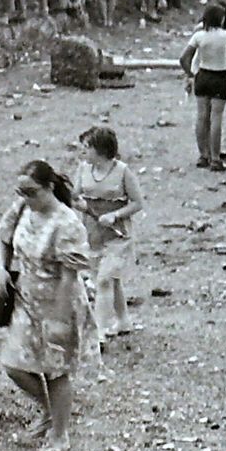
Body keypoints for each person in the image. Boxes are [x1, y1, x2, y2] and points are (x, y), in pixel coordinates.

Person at [0, 159, 99, 451]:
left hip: (58, 299)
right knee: (14, 364)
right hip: (26, 298)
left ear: (49, 187)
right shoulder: (22, 208)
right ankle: (49, 411)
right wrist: (0, 268)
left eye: (31, 192)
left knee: (56, 369)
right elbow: (2, 237)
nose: (25, 197)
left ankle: (60, 434)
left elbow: (69, 276)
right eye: (21, 191)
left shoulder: (67, 224)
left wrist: (59, 318)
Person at [74, 127, 144, 341]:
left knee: (104, 280)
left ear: (101, 150)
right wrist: (82, 207)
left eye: (87, 147)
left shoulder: (122, 171)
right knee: (110, 279)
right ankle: (123, 320)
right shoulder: (83, 170)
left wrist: (115, 215)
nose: (82, 151)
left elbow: (137, 203)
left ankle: (99, 331)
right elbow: (74, 196)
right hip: (93, 233)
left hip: (117, 235)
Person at [179, 2, 226, 170]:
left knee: (201, 116)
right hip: (219, 76)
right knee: (216, 118)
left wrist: (190, 74)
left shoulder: (198, 36)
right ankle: (215, 157)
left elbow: (184, 58)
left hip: (203, 75)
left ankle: (203, 154)